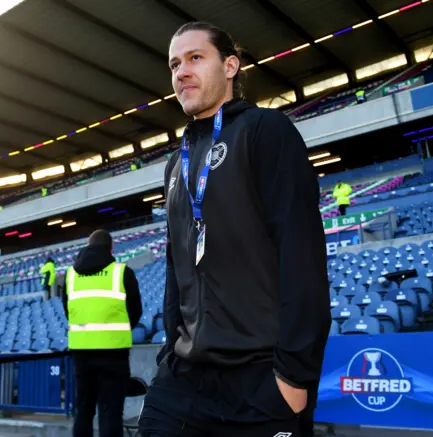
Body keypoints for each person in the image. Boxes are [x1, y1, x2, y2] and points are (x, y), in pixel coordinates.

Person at [138, 22, 331, 437]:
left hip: (260, 381)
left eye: (194, 58)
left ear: (230, 66)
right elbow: (177, 267)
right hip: (183, 379)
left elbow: (303, 255)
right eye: (174, 64)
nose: (181, 72)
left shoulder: (265, 130)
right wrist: (169, 352)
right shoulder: (176, 164)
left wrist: (294, 378)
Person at [63, 229, 142, 437]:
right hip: (114, 352)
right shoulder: (122, 272)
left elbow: (68, 311)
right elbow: (135, 310)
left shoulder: (70, 275)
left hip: (81, 352)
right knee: (111, 412)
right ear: (111, 248)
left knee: (84, 411)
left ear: (88, 245)